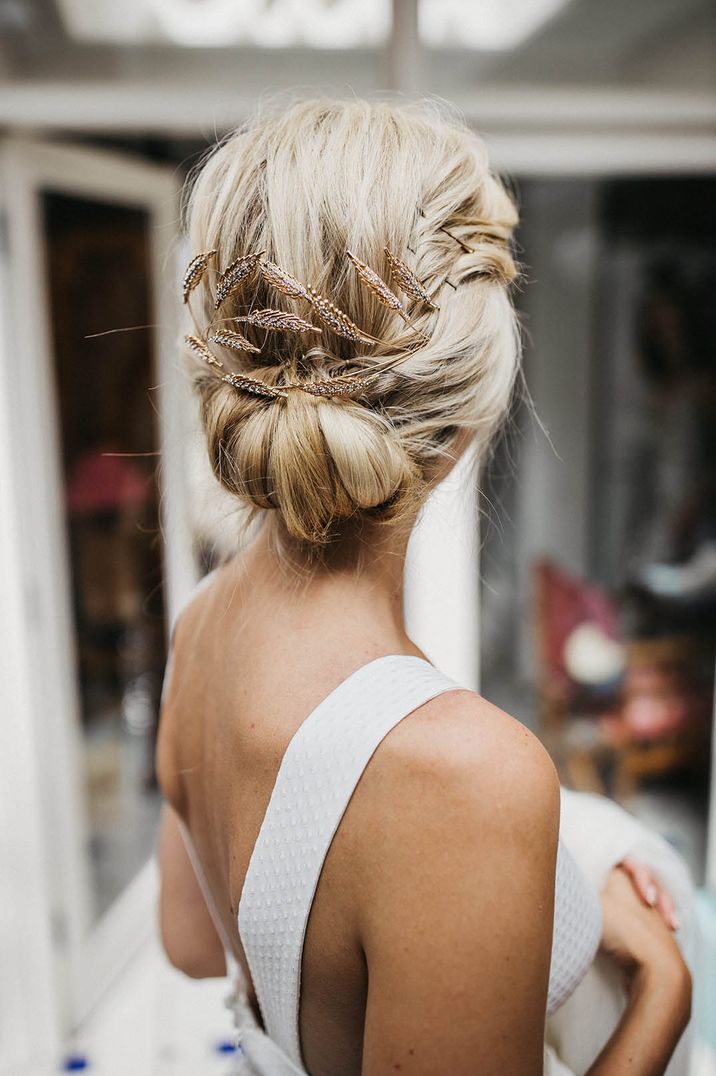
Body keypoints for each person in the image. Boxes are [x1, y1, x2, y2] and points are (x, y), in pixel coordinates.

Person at [156, 98, 694, 1075]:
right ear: (457, 431)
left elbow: (195, 944)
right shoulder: (464, 776)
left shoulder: (196, 632)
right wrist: (661, 989)